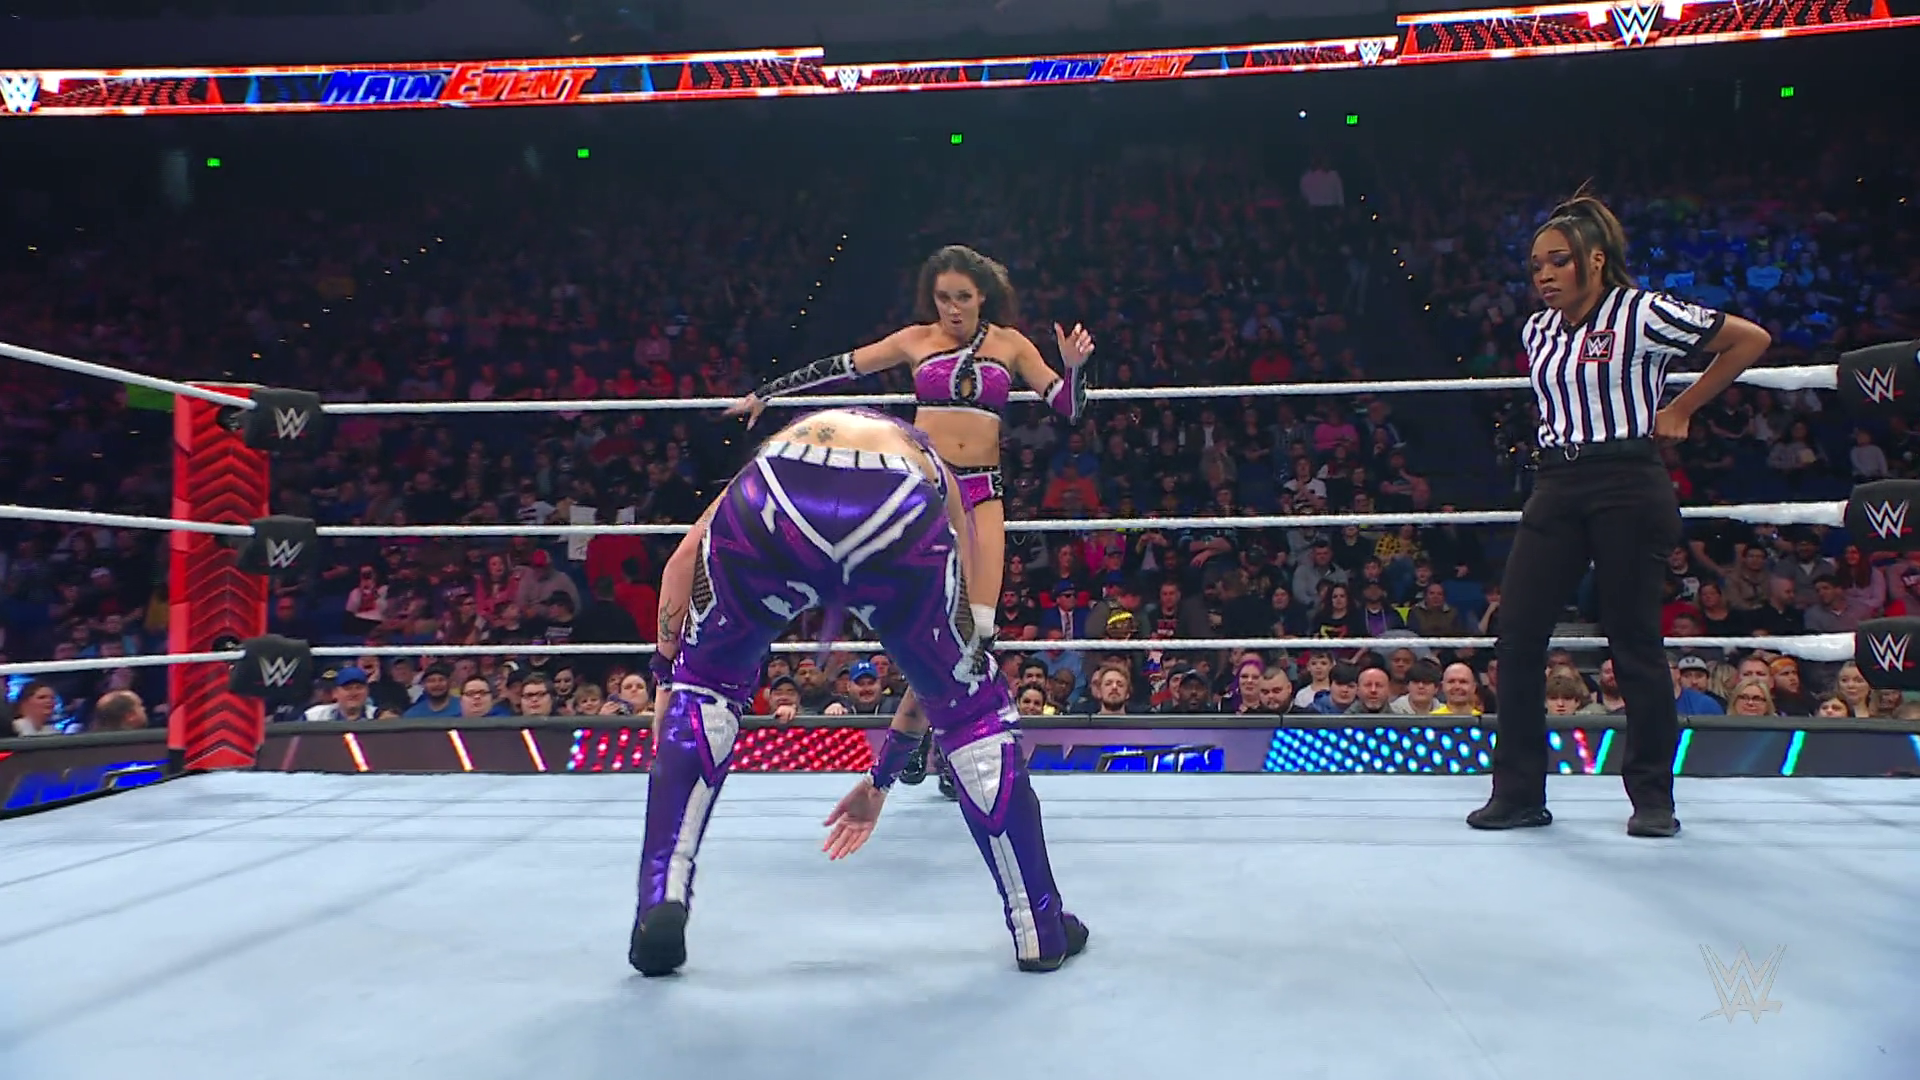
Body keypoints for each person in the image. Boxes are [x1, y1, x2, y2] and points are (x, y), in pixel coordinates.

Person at [632, 406, 1089, 977]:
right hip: (896, 508)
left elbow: (680, 562)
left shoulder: (780, 447)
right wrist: (882, 777)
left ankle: (661, 895)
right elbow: (944, 680)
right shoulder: (940, 478)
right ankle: (1038, 925)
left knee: (707, 687)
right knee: (972, 710)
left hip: (776, 493)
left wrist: (669, 679)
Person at [724, 245, 1094, 783]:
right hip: (926, 492)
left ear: (983, 296)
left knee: (978, 633)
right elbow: (842, 367)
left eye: (962, 297)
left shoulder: (1011, 344)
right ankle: (933, 746)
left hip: (982, 492)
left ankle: (926, 741)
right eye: (943, 298)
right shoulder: (914, 340)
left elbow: (1069, 407)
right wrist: (767, 393)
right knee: (930, 628)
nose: (953, 308)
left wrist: (1074, 369)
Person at [1470, 189, 1771, 839]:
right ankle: (1518, 793)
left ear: (1596, 260)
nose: (1544, 276)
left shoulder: (1642, 312)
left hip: (1627, 479)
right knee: (1517, 635)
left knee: (1633, 641)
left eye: (1558, 262)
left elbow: (1749, 340)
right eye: (1536, 266)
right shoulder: (1537, 330)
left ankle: (1653, 799)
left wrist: (1682, 407)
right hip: (1556, 480)